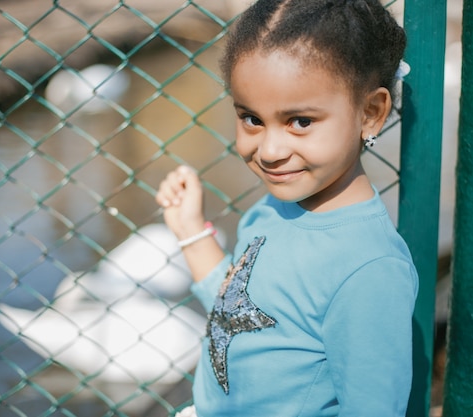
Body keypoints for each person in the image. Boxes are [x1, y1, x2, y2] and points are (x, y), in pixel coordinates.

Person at [155, 0, 418, 415]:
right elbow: (235, 312)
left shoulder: (369, 268)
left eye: (300, 121)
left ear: (370, 113)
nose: (270, 151)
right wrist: (191, 231)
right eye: (251, 119)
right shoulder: (274, 209)